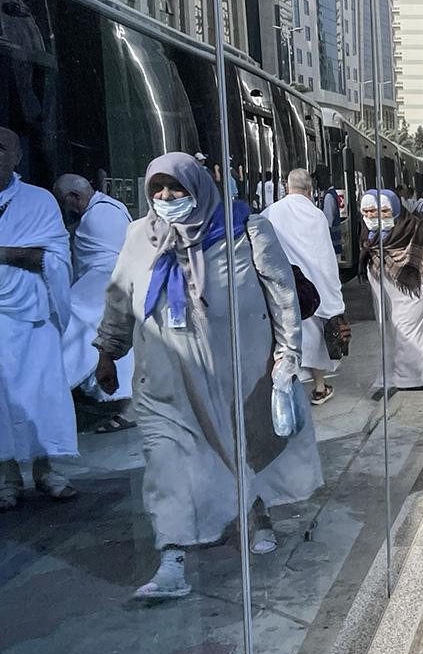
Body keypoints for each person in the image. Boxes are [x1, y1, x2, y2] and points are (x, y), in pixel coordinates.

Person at [94, 152, 323, 598]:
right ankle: (172, 559)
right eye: (157, 189)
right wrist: (107, 351)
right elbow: (120, 297)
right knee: (167, 463)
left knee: (242, 448)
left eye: (175, 188)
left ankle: (257, 514)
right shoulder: (140, 236)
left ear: (197, 186)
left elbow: (282, 296)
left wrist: (288, 353)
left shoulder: (247, 230)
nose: (165, 197)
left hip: (239, 371)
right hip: (164, 380)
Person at [0, 126, 79, 510]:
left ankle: (45, 471)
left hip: (33, 317)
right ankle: (7, 477)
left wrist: (5, 254)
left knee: (41, 394)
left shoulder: (38, 200)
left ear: (16, 156)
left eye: (1, 147)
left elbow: (55, 256)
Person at [361, 189, 423, 399]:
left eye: (381, 211)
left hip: (415, 290)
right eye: (369, 211)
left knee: (412, 335)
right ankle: (397, 378)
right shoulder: (371, 235)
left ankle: (415, 381)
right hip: (386, 294)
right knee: (392, 334)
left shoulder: (416, 230)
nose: (374, 216)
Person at [53, 173, 136, 430]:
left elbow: (102, 263)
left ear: (73, 198)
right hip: (111, 288)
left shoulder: (98, 216)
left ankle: (51, 391)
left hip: (105, 289)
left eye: (64, 202)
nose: (66, 209)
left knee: (74, 323)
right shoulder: (107, 208)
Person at [263, 168, 347, 404]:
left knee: (288, 337)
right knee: (315, 339)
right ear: (310, 190)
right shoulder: (316, 215)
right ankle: (320, 386)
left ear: (286, 186)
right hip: (314, 287)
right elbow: (325, 255)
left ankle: (291, 386)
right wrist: (331, 291)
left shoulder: (271, 212)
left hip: (285, 285)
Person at [313, 164, 342, 255]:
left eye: (317, 179)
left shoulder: (329, 197)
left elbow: (326, 223)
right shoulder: (330, 194)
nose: (317, 183)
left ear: (324, 178)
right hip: (333, 246)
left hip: (332, 247)